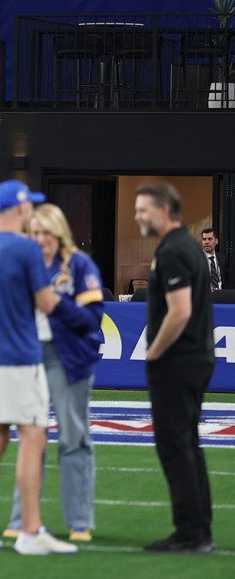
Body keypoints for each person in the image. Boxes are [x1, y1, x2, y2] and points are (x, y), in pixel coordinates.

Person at [0, 179, 76, 556]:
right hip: (20, 356)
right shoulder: (25, 249)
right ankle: (29, 530)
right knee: (33, 436)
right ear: (21, 209)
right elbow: (45, 301)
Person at [4, 204, 105, 543]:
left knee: (73, 439)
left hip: (68, 360)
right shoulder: (22, 266)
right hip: (29, 359)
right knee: (30, 440)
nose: (41, 239)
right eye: (35, 233)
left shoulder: (80, 265)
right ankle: (21, 519)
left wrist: (56, 304)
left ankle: (79, 521)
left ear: (60, 233)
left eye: (46, 233)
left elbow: (92, 320)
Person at [134, 182, 216, 554]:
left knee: (176, 446)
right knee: (188, 444)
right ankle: (199, 527)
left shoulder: (173, 251)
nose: (138, 217)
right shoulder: (189, 246)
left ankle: (191, 532)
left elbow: (180, 311)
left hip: (178, 361)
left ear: (163, 210)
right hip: (194, 358)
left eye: (143, 210)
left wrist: (154, 352)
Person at [200, 227, 226, 292]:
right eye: (204, 239)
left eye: (210, 239)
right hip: (205, 297)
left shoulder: (223, 258)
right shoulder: (196, 259)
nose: (206, 242)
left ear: (216, 241)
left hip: (222, 296)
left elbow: (228, 280)